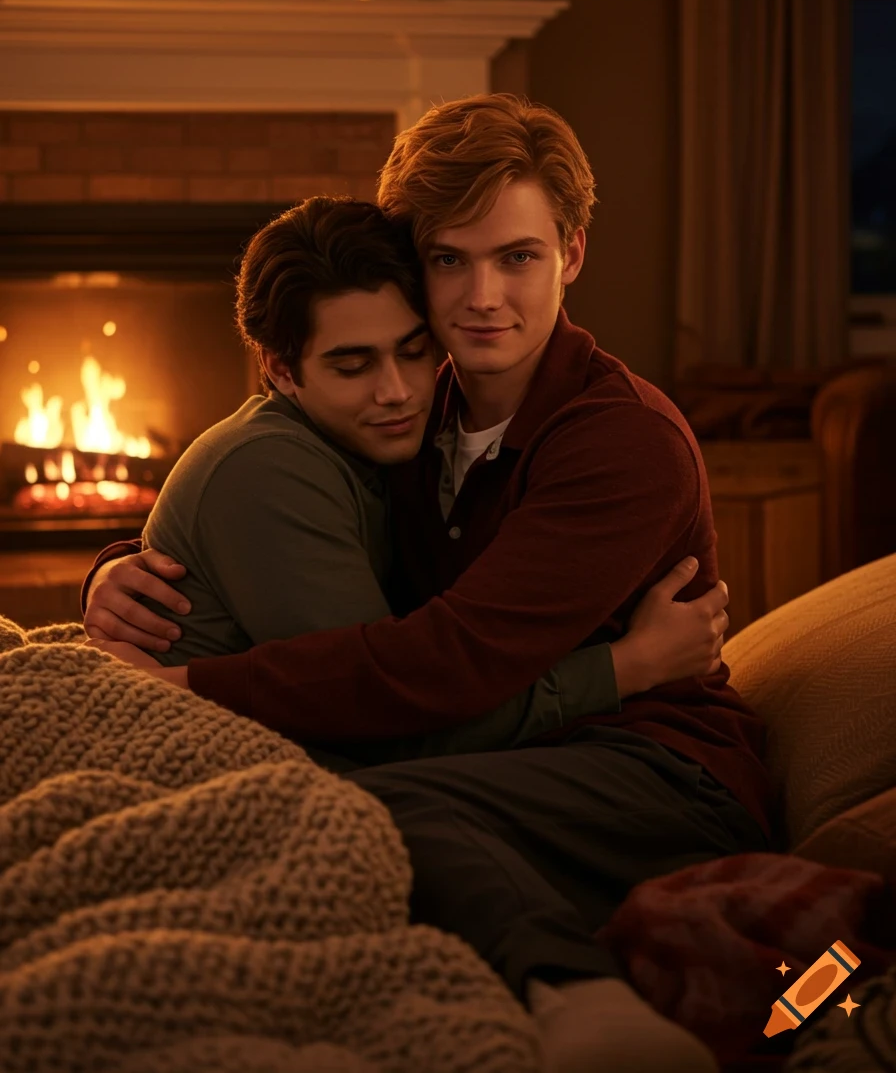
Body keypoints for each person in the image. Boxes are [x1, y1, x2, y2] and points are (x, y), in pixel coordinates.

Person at [84, 94, 771, 1073]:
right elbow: (267, 488)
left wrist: (195, 687)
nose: (482, 294)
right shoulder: (414, 401)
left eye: (517, 256)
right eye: (449, 259)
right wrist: (121, 564)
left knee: (366, 805)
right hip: (502, 745)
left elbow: (442, 660)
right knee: (319, 802)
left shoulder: (620, 441)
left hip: (655, 768)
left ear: (570, 254)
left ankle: (575, 996)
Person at [106, 192, 726, 767]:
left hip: (639, 760)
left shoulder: (431, 426)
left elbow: (415, 677)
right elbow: (391, 712)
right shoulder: (274, 465)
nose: (397, 392)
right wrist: (625, 666)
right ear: (280, 368)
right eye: (352, 365)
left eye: (412, 351)